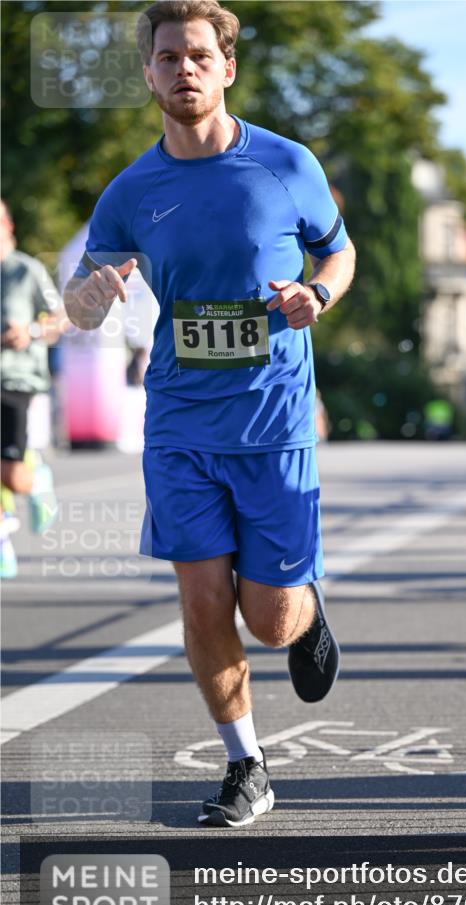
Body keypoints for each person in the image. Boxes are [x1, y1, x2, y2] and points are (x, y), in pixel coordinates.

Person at [63, 1, 356, 828]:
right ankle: (245, 764)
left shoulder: (285, 164)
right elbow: (86, 302)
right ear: (149, 74)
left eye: (197, 55)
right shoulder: (130, 192)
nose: (182, 70)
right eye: (166, 58)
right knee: (200, 599)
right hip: (182, 423)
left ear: (226, 67)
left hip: (272, 420)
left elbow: (338, 247)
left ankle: (303, 602)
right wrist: (84, 301)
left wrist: (319, 291)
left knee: (268, 623)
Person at [0, 200, 68, 578]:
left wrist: (32, 332)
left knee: (10, 475)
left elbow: (63, 318)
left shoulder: (26, 270)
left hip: (15, 380)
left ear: (7, 225)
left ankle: (35, 476)